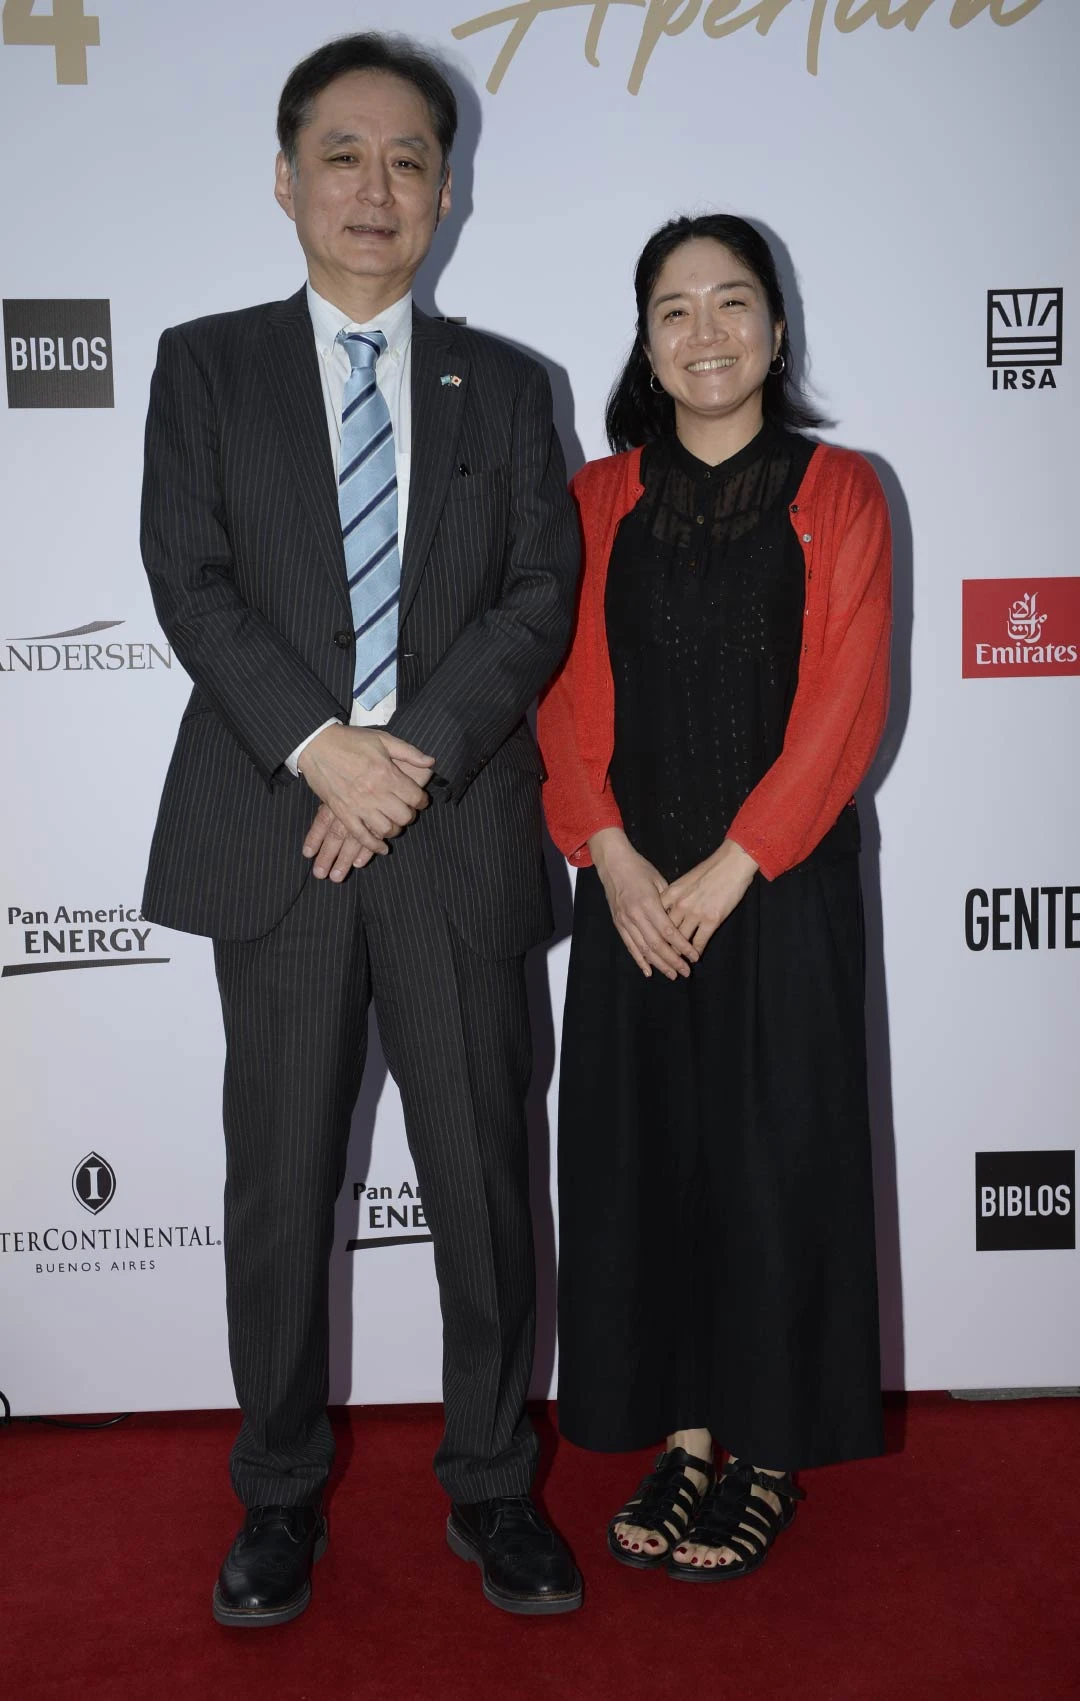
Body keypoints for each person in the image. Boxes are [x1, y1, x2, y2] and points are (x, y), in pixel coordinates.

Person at [140, 33, 582, 1624]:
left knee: (484, 1188)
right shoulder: (206, 366)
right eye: (344, 154)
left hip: (455, 837)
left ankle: (493, 1485)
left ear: (446, 192)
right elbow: (190, 577)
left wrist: (412, 759)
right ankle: (275, 1498)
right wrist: (328, 752)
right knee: (278, 1191)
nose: (376, 187)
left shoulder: (509, 386)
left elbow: (538, 597)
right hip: (278, 837)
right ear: (286, 179)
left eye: (410, 159)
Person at [538, 214, 891, 1580]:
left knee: (776, 1163)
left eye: (733, 302)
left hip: (779, 892)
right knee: (652, 1166)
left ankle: (769, 1452)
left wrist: (738, 864)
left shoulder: (842, 492)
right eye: (674, 309)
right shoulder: (595, 497)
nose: (706, 332)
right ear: (645, 342)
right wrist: (610, 856)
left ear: (778, 329)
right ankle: (686, 1439)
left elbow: (845, 705)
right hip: (635, 896)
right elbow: (561, 694)